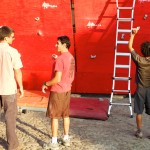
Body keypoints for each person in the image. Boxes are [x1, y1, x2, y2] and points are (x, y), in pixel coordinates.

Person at [42, 36, 75, 150]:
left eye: (58, 43)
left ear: (64, 45)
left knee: (54, 117)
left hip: (57, 91)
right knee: (65, 115)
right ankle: (66, 139)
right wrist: (57, 58)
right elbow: (67, 70)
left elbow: (57, 79)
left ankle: (54, 142)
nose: (55, 45)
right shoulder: (70, 57)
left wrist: (46, 83)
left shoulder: (60, 60)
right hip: (67, 90)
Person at [0, 26, 24, 150]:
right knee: (10, 118)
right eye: (12, 37)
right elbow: (17, 71)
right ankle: (12, 145)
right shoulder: (12, 51)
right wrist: (21, 87)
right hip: (8, 89)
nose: (13, 39)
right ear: (6, 37)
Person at [128, 27, 150, 138]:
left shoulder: (139, 60)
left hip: (141, 89)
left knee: (139, 112)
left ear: (142, 51)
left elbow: (130, 47)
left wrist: (133, 34)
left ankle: (140, 132)